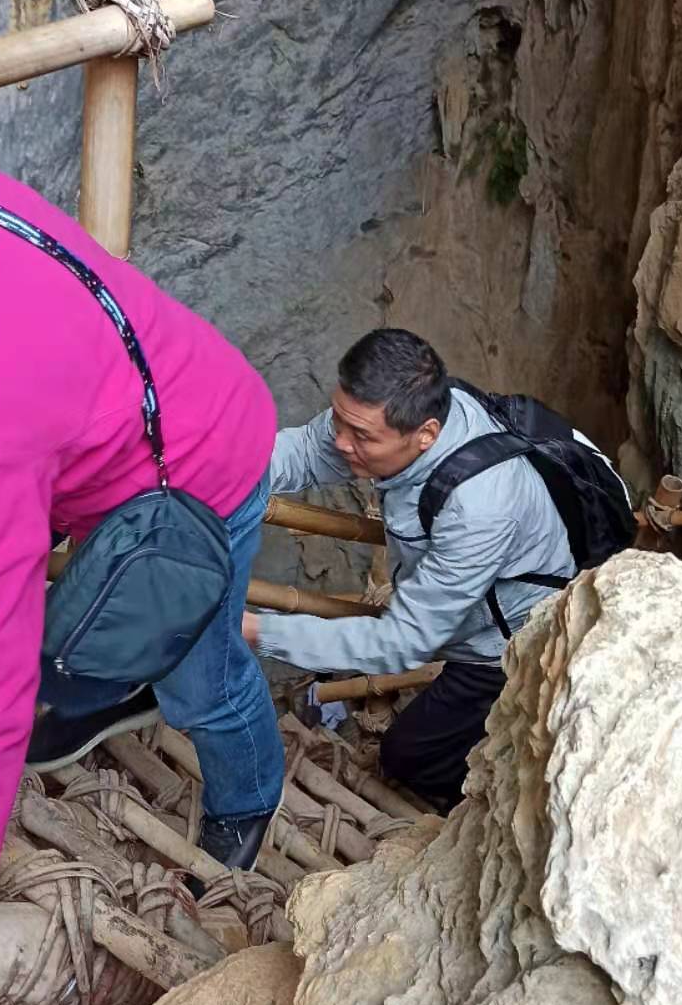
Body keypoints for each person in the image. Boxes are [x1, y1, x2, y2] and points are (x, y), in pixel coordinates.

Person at [0, 137, 285, 1005]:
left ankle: (246, 803)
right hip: (105, 408)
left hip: (196, 478)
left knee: (206, 679)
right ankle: (110, 684)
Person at [245, 328, 580, 813]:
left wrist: (259, 630)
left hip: (504, 642)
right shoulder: (401, 408)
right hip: (451, 601)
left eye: (361, 436)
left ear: (426, 434)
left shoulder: (479, 508)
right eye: (339, 420)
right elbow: (303, 452)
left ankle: (487, 811)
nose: (341, 442)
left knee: (411, 758)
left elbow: (402, 643)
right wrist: (215, 473)